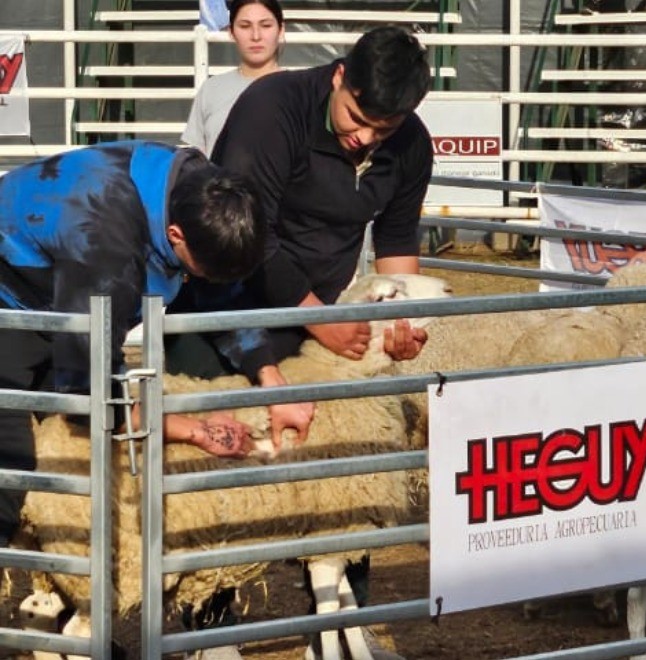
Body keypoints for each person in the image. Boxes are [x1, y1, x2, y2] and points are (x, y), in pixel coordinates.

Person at [0, 140, 297, 546]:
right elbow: (88, 385)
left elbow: (217, 291)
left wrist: (269, 376)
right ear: (175, 235)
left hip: (59, 298)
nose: (206, 280)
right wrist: (193, 430)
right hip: (11, 300)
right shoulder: (105, 243)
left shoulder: (204, 192)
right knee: (10, 462)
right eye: (203, 272)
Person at [167, 26, 433, 384]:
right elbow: (250, 231)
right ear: (339, 76)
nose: (365, 137)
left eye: (384, 130)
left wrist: (403, 320)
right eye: (356, 117)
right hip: (226, 312)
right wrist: (319, 319)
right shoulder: (272, 110)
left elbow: (396, 238)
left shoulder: (411, 144)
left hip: (316, 320)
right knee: (215, 411)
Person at [182, 0, 284, 157]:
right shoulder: (211, 89)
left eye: (265, 25)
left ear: (281, 30)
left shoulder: (301, 90)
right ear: (231, 32)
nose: (256, 36)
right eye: (245, 26)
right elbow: (199, 158)